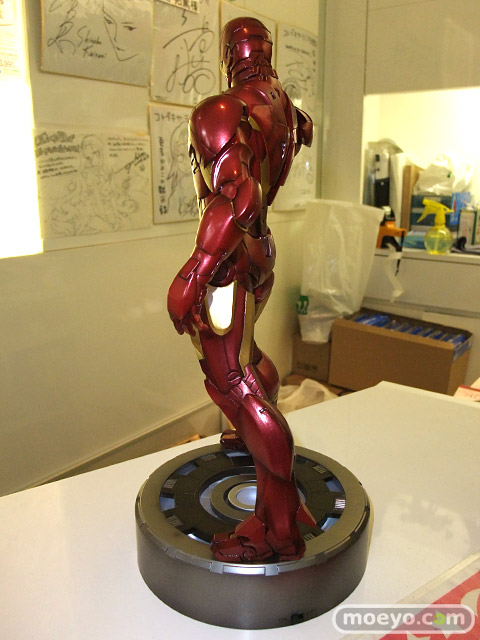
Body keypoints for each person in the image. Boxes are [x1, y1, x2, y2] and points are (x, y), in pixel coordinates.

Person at [167, 17, 314, 562]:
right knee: (246, 364)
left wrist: (194, 272)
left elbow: (239, 197)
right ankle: (254, 442)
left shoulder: (222, 110)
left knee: (233, 383)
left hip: (228, 263)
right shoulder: (285, 108)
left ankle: (278, 525)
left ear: (230, 53)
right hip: (259, 257)